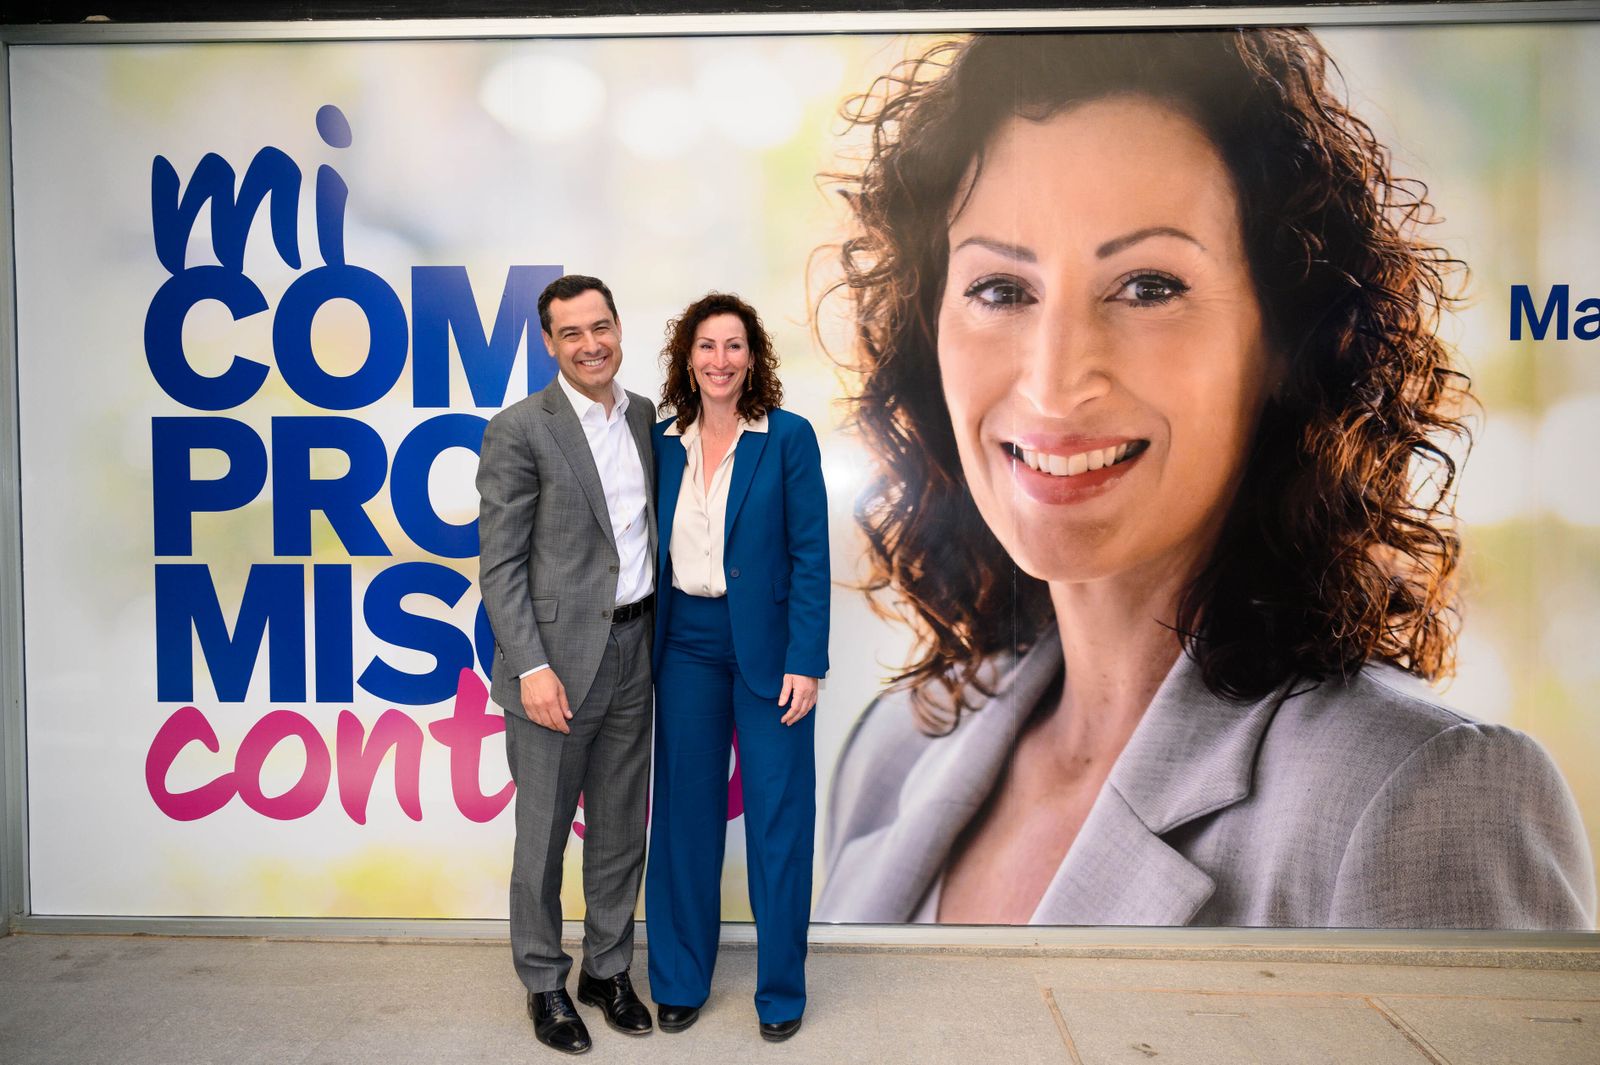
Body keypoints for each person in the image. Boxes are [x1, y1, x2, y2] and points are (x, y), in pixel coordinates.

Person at [815, 31, 1596, 929]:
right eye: (1000, 289)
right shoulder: (894, 754)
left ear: (1285, 343)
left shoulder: (1425, 800)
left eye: (1147, 286)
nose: (1055, 381)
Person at [476, 274, 658, 1054]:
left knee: (620, 829)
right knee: (544, 835)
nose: (591, 344)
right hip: (552, 664)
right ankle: (546, 981)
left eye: (601, 327)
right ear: (549, 343)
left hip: (636, 647)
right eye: (571, 333)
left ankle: (607, 967)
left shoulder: (645, 416)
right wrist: (530, 666)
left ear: (618, 327)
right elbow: (500, 565)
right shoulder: (521, 428)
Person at [643, 292, 829, 1040]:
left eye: (735, 346)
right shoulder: (660, 440)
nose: (720, 360)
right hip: (683, 643)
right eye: (707, 346)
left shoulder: (786, 437)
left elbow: (810, 555)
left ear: (754, 359)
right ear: (687, 358)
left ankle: (780, 991)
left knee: (779, 822)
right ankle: (681, 979)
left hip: (770, 651)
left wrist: (807, 660)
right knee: (684, 819)